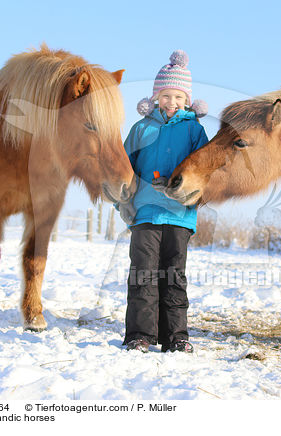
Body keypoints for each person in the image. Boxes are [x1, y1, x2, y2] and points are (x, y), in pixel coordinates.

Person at [117, 50, 209, 353]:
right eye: (166, 95)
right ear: (156, 97)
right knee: (143, 274)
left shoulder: (195, 130)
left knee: (174, 275)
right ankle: (139, 335)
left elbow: (206, 170)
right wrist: (124, 203)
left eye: (178, 97)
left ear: (187, 100)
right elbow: (123, 168)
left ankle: (176, 336)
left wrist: (197, 197)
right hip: (145, 213)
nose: (172, 102)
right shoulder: (141, 128)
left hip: (180, 215)